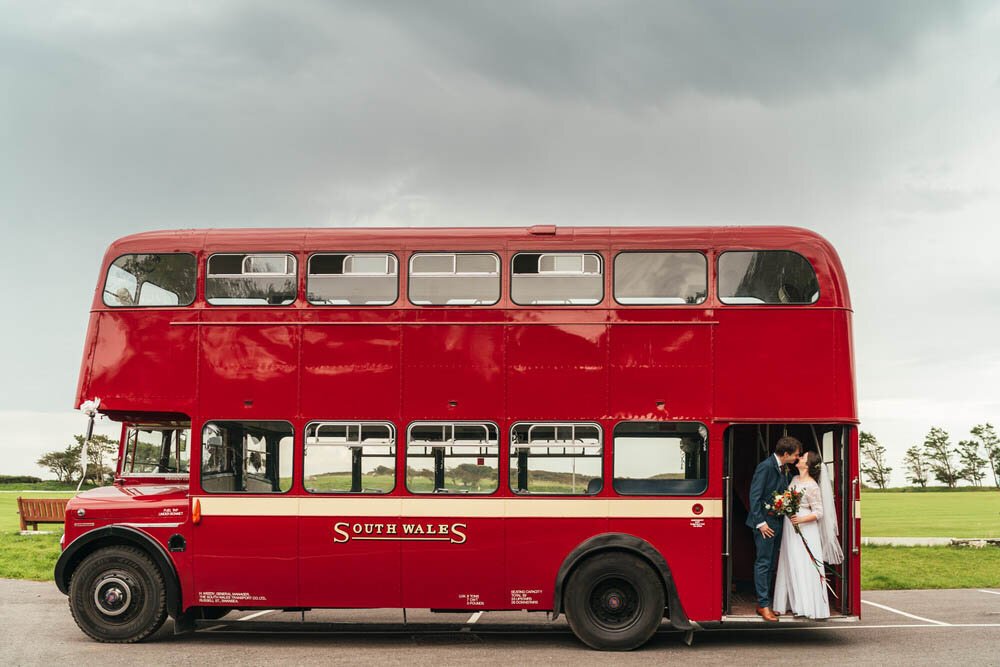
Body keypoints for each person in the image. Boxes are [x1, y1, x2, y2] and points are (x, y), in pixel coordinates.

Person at [772, 450, 844, 619]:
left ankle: (806, 605)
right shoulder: (795, 479)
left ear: (808, 464)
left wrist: (801, 519)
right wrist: (783, 506)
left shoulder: (812, 486)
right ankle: (789, 603)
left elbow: (819, 512)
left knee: (803, 563)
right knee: (790, 560)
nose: (799, 458)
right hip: (791, 526)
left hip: (805, 527)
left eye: (803, 457)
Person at [745, 435, 801, 622]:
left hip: (777, 521)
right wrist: (761, 523)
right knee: (763, 563)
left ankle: (764, 603)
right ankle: (763, 605)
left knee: (770, 563)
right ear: (785, 454)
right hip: (765, 523)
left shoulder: (784, 468)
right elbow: (754, 496)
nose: (796, 458)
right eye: (795, 455)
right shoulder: (766, 467)